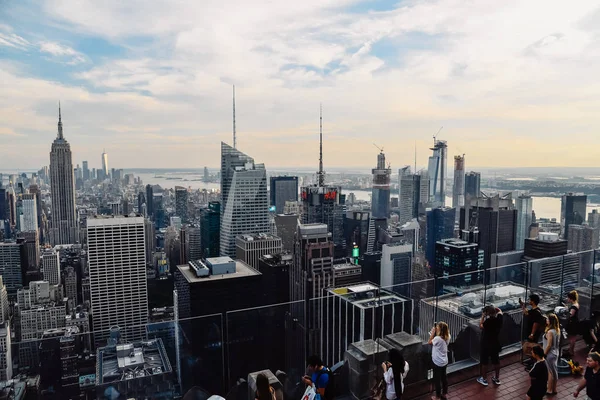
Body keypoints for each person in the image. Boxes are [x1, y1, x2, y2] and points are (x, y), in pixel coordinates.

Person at [477, 305, 503, 386]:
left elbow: (481, 326)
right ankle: (497, 378)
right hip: (495, 343)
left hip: (486, 344)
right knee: (496, 361)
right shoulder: (499, 319)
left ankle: (484, 379)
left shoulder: (488, 321)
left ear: (487, 313)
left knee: (484, 362)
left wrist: (482, 316)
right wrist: (494, 309)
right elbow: (500, 311)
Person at [521, 294, 545, 368]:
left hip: (533, 333)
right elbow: (526, 313)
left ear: (533, 301)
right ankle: (532, 360)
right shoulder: (534, 311)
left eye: (530, 300)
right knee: (531, 346)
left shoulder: (536, 312)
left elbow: (536, 323)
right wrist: (522, 306)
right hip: (532, 332)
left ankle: (534, 362)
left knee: (532, 346)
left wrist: (532, 334)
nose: (529, 301)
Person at [428, 321, 450, 400]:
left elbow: (429, 342)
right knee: (444, 377)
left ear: (440, 329)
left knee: (437, 379)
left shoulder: (437, 339)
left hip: (437, 362)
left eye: (438, 328)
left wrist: (432, 334)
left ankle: (437, 396)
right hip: (444, 361)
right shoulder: (448, 336)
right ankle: (444, 394)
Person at [544, 313, 561, 396]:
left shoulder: (550, 331)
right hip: (556, 352)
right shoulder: (557, 330)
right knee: (554, 371)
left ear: (550, 321)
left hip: (550, 354)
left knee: (550, 372)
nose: (546, 320)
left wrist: (544, 354)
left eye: (547, 319)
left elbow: (549, 345)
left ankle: (549, 390)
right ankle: (554, 389)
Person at [566, 290, 581, 357]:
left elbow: (570, 315)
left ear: (571, 298)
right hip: (575, 323)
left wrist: (566, 309)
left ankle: (571, 351)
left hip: (572, 324)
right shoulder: (576, 304)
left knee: (572, 338)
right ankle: (571, 350)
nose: (567, 299)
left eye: (568, 298)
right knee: (573, 338)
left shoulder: (573, 307)